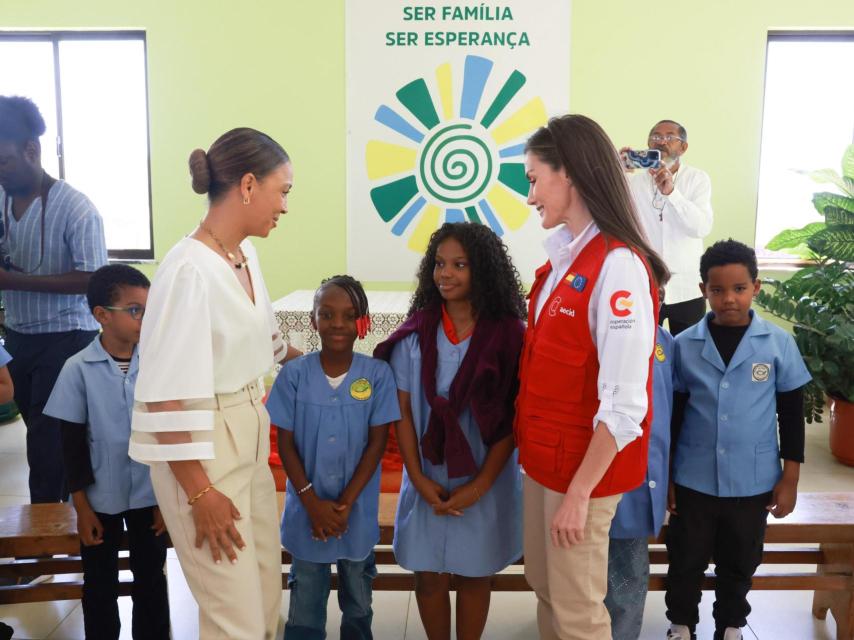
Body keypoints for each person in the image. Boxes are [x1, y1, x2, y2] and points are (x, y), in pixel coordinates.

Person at [129, 128, 296, 640]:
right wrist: (200, 493)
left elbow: (268, 344)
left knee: (267, 598)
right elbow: (166, 393)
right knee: (234, 617)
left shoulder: (243, 256)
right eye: (282, 191)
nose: (284, 206)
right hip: (203, 445)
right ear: (248, 186)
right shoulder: (187, 270)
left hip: (248, 426)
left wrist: (346, 366)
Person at [518, 114, 669, 640]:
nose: (530, 194)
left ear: (571, 175)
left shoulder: (619, 267)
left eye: (534, 179)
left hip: (580, 472)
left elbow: (627, 404)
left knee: (578, 609)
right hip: (544, 465)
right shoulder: (563, 260)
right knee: (545, 586)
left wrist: (580, 493)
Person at [374, 222, 526, 640]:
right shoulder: (416, 334)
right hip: (427, 473)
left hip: (485, 474)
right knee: (429, 576)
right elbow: (402, 411)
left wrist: (479, 486)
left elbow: (513, 419)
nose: (446, 273)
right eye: (440, 263)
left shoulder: (509, 336)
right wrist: (418, 479)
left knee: (476, 573)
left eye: (460, 264)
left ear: (485, 271)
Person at [664, 239, 811, 640]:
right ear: (702, 291)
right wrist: (669, 477)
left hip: (753, 479)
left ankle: (731, 624)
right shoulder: (684, 345)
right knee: (686, 558)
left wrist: (790, 477)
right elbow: (674, 415)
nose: (729, 299)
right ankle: (681, 623)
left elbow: (791, 412)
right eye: (718, 290)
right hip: (693, 477)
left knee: (741, 558)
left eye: (739, 289)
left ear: (756, 287)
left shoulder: (777, 343)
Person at [266, 275, 400, 639]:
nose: (337, 323)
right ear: (313, 320)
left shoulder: (377, 375)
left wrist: (344, 505)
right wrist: (312, 503)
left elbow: (377, 445)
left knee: (358, 594)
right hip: (305, 511)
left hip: (355, 511)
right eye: (327, 314)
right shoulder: (294, 375)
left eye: (348, 314)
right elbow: (286, 445)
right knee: (306, 592)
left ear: (363, 321)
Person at [43, 264, 169, 640]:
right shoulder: (77, 369)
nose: (144, 319)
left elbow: (168, 435)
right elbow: (71, 445)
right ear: (101, 316)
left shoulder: (158, 363)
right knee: (99, 583)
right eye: (135, 310)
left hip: (150, 495)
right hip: (98, 499)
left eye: (149, 309)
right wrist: (81, 506)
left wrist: (165, 497)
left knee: (151, 578)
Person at [0, 95, 108, 503]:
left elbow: (93, 280)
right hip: (18, 337)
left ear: (31, 150)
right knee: (45, 437)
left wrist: (12, 280)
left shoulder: (78, 210)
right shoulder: (3, 198)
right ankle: (62, 523)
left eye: (4, 161)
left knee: (46, 444)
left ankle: (41, 546)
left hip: (66, 337)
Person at [605, 310, 674, 640]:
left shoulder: (664, 341)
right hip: (595, 476)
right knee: (581, 576)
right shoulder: (599, 330)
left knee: (628, 573)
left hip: (640, 478)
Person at [623, 119, 713, 335]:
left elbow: (701, 227)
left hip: (687, 288)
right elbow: (609, 214)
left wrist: (672, 193)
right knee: (645, 353)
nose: (661, 142)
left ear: (683, 147)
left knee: (690, 356)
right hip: (645, 284)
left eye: (669, 137)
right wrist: (618, 171)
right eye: (655, 137)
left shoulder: (697, 179)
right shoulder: (632, 183)